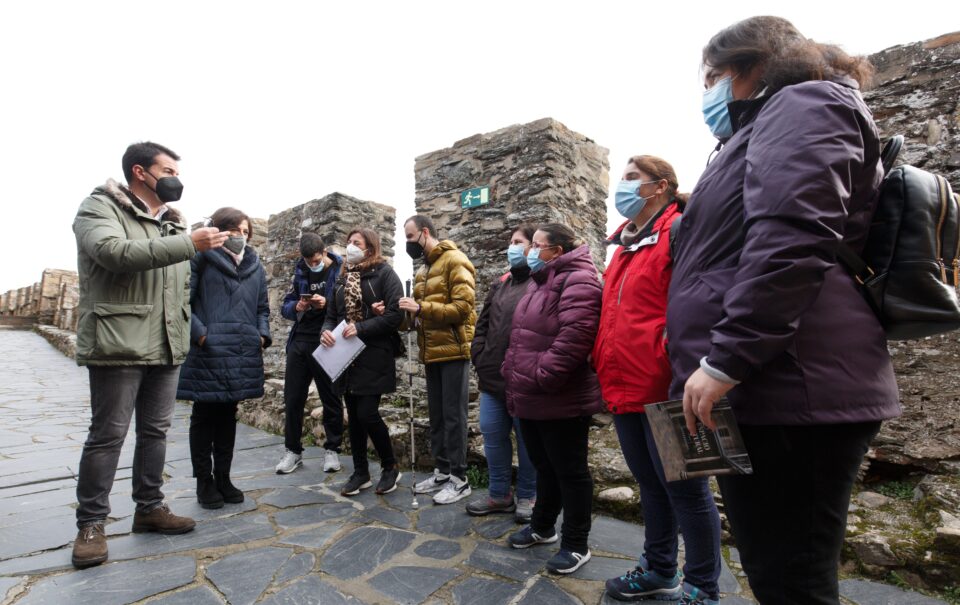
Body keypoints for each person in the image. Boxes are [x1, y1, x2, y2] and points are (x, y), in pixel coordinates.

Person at [668, 16, 901, 604]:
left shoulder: (806, 104)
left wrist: (726, 358)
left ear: (752, 66)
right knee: (773, 570)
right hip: (765, 385)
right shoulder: (750, 134)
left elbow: (793, 238)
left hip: (791, 386)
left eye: (716, 76)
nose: (710, 92)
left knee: (792, 580)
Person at [71, 141, 229, 569]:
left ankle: (149, 507)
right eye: (167, 169)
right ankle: (91, 524)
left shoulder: (172, 225)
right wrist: (190, 245)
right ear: (140, 172)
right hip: (119, 339)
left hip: (165, 344)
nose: (175, 178)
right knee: (108, 435)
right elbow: (114, 254)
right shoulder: (99, 208)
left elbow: (177, 289)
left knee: (156, 432)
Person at [593, 156, 721, 603]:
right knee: (650, 485)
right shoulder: (624, 246)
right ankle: (659, 567)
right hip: (625, 385)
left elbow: (701, 301)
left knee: (686, 489)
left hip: (670, 386)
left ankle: (703, 585)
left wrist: (681, 361)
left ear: (660, 187)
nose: (621, 187)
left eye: (632, 178)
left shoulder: (680, 231)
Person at [503, 223, 603, 575]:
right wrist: (511, 370)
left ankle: (576, 544)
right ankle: (543, 526)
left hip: (560, 395)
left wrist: (544, 374)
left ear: (556, 251)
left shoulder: (579, 279)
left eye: (537, 245)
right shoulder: (541, 279)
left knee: (571, 472)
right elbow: (522, 335)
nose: (530, 251)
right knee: (544, 465)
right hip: (530, 392)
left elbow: (577, 334)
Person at [176, 207, 271, 509]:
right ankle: (204, 482)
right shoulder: (200, 258)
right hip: (209, 350)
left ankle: (224, 478)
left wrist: (261, 335)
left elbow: (262, 309)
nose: (241, 236)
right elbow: (181, 300)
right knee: (204, 416)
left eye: (246, 232)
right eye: (235, 230)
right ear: (218, 230)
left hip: (241, 351)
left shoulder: (256, 265)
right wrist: (202, 334)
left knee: (228, 416)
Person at [320, 228, 404, 497]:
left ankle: (390, 466)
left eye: (357, 242)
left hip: (374, 353)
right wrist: (326, 330)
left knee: (367, 413)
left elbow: (395, 314)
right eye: (348, 242)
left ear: (370, 248)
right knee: (354, 417)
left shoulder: (384, 274)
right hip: (345, 356)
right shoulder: (342, 278)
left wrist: (362, 328)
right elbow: (332, 315)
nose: (350, 246)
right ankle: (360, 472)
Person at [400, 215, 477, 505]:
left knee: (454, 417)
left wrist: (421, 307)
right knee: (438, 417)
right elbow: (419, 316)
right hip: (431, 352)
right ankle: (442, 471)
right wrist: (405, 314)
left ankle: (460, 479)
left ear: (424, 232)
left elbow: (462, 308)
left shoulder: (455, 260)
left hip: (455, 351)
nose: (408, 243)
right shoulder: (423, 270)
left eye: (409, 236)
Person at [466, 225, 538, 523]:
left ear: (533, 247)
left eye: (517, 242)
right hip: (492, 378)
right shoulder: (500, 284)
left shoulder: (541, 283)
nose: (511, 247)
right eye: (510, 241)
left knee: (527, 441)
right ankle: (499, 494)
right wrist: (479, 355)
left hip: (524, 380)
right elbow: (482, 324)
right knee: (493, 435)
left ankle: (527, 496)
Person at [275, 233, 345, 475]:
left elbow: (349, 305)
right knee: (293, 398)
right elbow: (285, 306)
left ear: (324, 253)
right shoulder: (299, 272)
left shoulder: (340, 270)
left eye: (315, 260)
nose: (312, 264)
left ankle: (332, 450)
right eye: (308, 261)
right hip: (300, 341)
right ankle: (292, 451)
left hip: (327, 341)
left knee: (331, 397)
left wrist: (327, 303)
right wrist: (297, 306)